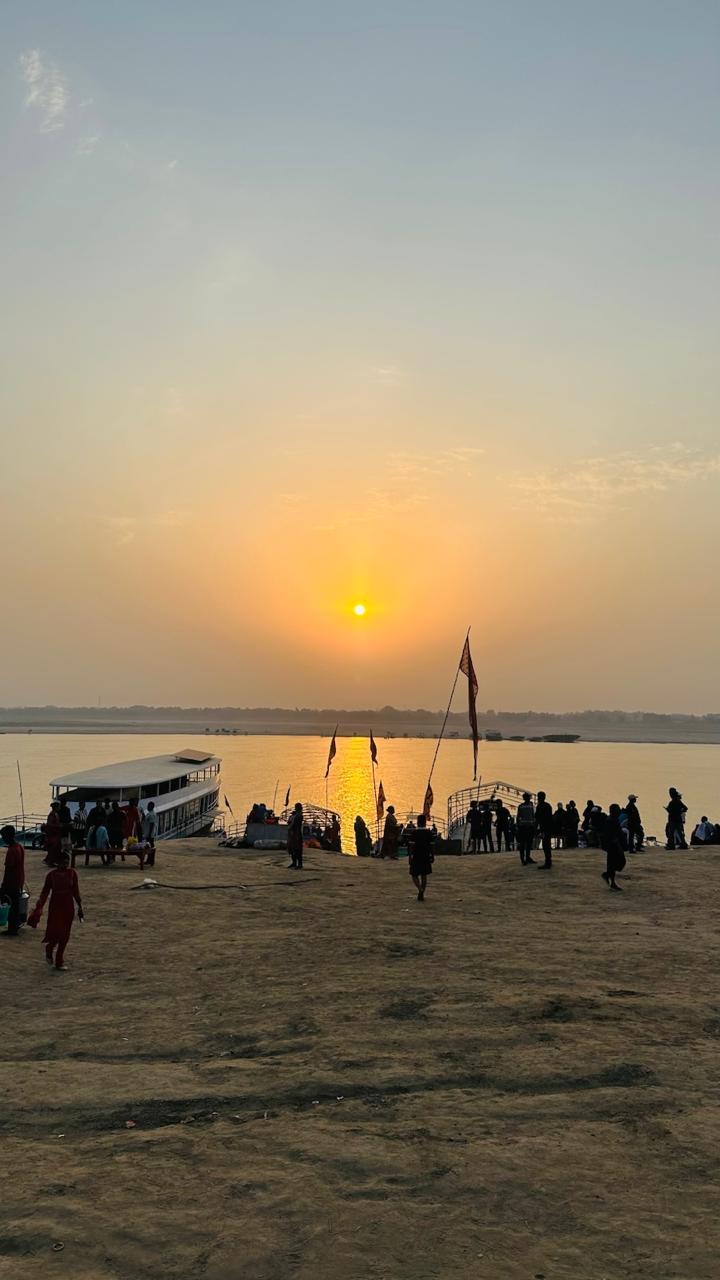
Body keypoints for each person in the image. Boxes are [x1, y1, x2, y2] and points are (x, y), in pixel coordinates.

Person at [27, 849, 83, 970]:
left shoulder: (72, 873)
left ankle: (59, 960)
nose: (65, 865)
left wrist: (80, 907)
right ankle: (50, 948)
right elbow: (45, 892)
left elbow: (76, 891)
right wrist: (39, 906)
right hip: (56, 905)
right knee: (56, 931)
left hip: (68, 905)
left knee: (65, 934)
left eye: (66, 862)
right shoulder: (51, 876)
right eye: (63, 862)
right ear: (57, 863)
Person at [1, 825, 25, 937]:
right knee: (15, 905)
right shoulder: (19, 847)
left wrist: (3, 886)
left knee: (11, 905)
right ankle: (14, 927)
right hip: (19, 880)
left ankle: (12, 929)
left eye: (3, 836)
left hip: (12, 882)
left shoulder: (11, 851)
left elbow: (8, 871)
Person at [600, 803, 627, 892]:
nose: (619, 811)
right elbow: (612, 834)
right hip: (613, 845)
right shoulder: (611, 820)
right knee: (618, 862)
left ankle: (610, 879)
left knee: (614, 863)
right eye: (618, 809)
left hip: (613, 844)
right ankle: (609, 877)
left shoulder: (613, 819)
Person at [408, 814, 435, 901]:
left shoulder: (414, 833)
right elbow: (431, 846)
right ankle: (422, 891)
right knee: (424, 874)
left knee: (414, 874)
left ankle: (420, 889)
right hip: (425, 855)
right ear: (425, 822)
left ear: (418, 822)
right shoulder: (429, 833)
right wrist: (432, 855)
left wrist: (410, 856)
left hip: (416, 855)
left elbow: (411, 846)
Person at [515, 793, 536, 866]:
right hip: (526, 827)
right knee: (525, 844)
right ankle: (524, 859)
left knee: (526, 844)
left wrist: (518, 825)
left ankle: (526, 858)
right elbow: (533, 816)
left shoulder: (522, 806)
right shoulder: (530, 806)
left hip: (525, 827)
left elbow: (518, 817)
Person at [535, 791, 554, 869]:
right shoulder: (548, 805)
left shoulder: (539, 806)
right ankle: (549, 861)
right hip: (549, 827)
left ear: (539, 798)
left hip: (544, 827)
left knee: (545, 845)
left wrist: (536, 828)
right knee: (547, 844)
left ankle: (548, 862)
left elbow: (537, 818)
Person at [44, 801, 62, 867]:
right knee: (53, 848)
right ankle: (50, 861)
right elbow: (50, 825)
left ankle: (53, 860)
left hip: (56, 834)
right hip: (53, 834)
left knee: (56, 848)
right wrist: (58, 826)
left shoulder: (55, 814)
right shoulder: (52, 815)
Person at [287, 802, 304, 870]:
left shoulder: (298, 816)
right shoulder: (297, 815)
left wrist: (289, 827)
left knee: (297, 849)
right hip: (294, 834)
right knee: (292, 849)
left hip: (296, 835)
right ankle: (294, 863)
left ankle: (299, 864)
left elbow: (293, 824)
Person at [141, 800, 158, 865]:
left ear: (152, 807)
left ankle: (151, 860)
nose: (148, 807)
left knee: (150, 848)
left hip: (149, 834)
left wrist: (150, 835)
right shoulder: (149, 813)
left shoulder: (152, 814)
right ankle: (149, 860)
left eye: (149, 806)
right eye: (148, 805)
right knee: (148, 848)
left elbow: (152, 825)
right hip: (147, 833)